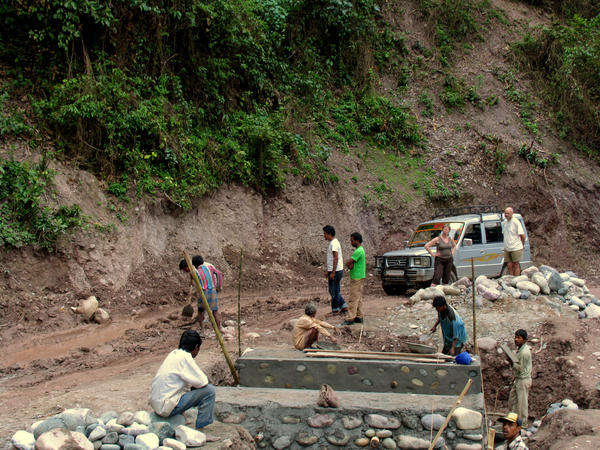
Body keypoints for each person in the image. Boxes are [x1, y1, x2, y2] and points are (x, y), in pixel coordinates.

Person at [148, 330, 216, 430]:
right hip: (165, 407)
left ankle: (184, 419)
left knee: (183, 387)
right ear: (196, 347)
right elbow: (203, 382)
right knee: (209, 391)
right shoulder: (186, 358)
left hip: (157, 403)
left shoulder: (173, 354)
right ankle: (201, 429)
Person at [180, 256, 223, 337]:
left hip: (204, 292)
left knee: (200, 312)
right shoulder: (209, 267)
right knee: (215, 312)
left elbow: (199, 285)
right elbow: (219, 273)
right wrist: (219, 286)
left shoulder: (196, 272)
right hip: (213, 291)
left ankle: (203, 331)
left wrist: (193, 292)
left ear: (195, 264)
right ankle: (219, 331)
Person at [507, 329, 532, 428]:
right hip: (519, 379)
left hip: (523, 380)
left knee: (522, 404)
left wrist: (511, 362)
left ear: (524, 340)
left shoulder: (524, 353)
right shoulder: (520, 349)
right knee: (512, 401)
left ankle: (523, 424)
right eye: (515, 337)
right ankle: (513, 420)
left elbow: (520, 369)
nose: (516, 340)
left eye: (519, 338)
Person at [340, 232, 365, 326]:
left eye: (352, 241)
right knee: (358, 298)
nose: (351, 243)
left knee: (353, 298)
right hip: (359, 276)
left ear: (357, 241)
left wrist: (349, 264)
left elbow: (348, 262)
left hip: (356, 277)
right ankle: (359, 316)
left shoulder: (358, 251)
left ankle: (350, 318)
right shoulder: (361, 250)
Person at [323, 225, 348, 317]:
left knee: (335, 291)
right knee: (334, 290)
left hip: (336, 271)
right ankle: (344, 306)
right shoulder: (334, 242)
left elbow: (335, 257)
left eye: (325, 234)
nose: (324, 235)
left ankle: (335, 310)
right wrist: (328, 270)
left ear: (329, 234)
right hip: (335, 270)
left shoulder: (334, 243)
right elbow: (331, 259)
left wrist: (333, 272)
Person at [502, 207, 525, 276]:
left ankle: (517, 279)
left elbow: (522, 236)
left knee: (516, 265)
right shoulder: (504, 223)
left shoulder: (516, 222)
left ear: (512, 213)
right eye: (505, 213)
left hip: (516, 247)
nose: (506, 215)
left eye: (508, 213)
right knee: (509, 266)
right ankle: (510, 279)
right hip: (507, 247)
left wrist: (522, 244)